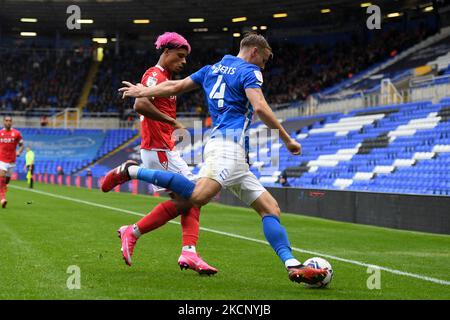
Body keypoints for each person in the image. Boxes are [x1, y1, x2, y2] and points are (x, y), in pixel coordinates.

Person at [106, 33, 327, 285]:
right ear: (254, 51)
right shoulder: (249, 72)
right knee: (197, 197)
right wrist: (287, 139)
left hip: (235, 157)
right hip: (226, 149)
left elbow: (175, 86)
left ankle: (292, 265)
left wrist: (143, 91)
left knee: (270, 208)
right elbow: (260, 108)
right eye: (264, 60)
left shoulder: (211, 69)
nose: (264, 66)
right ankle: (131, 171)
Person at [108, 32, 217, 275]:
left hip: (162, 149)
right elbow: (140, 104)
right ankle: (136, 229)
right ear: (166, 52)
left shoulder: (166, 78)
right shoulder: (154, 75)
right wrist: (173, 122)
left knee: (186, 201)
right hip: (159, 150)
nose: (184, 61)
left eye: (185, 58)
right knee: (194, 194)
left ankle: (186, 250)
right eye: (179, 56)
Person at [0, 116, 24, 208]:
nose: (8, 122)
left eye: (10, 121)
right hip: (1, 159)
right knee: (2, 176)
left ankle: (3, 190)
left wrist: (19, 151)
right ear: (3, 122)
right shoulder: (0, 133)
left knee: (6, 181)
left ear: (12, 122)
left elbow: (21, 144)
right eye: (6, 121)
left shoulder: (17, 133)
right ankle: (3, 199)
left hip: (12, 161)